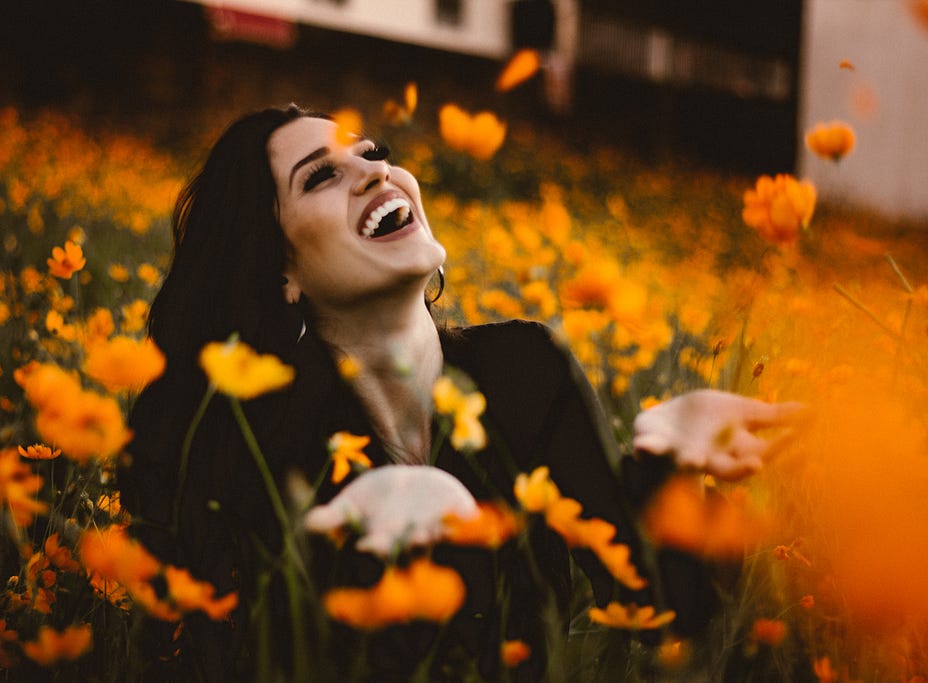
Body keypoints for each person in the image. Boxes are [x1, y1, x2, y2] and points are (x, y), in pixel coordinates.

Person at [120, 104, 799, 681]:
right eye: (323, 175)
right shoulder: (270, 454)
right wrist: (341, 561)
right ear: (282, 274)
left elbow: (666, 616)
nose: (377, 171)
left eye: (372, 154)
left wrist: (667, 466)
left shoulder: (527, 370)